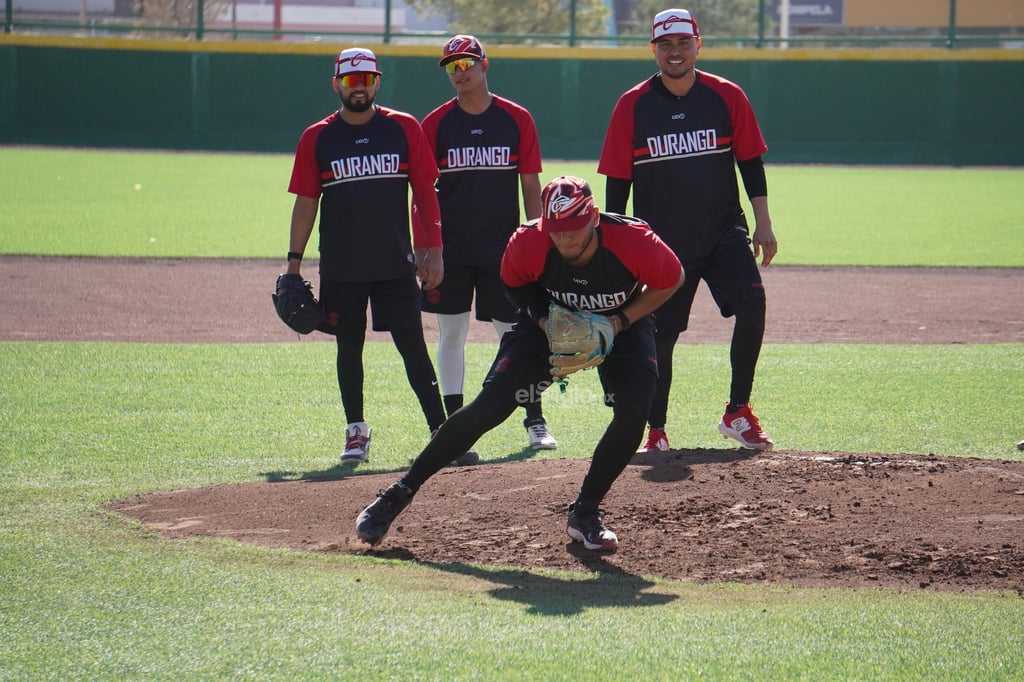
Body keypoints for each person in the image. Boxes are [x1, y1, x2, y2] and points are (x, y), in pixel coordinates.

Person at [355, 176, 684, 551]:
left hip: (620, 323)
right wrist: (547, 323)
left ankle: (585, 513)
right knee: (489, 408)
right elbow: (514, 282)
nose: (564, 241)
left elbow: (672, 279)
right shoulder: (530, 240)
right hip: (549, 322)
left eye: (573, 231)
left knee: (635, 408)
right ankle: (397, 494)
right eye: (556, 232)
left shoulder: (633, 240)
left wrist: (618, 322)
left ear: (593, 217)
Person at [597, 8, 779, 453]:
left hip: (723, 232)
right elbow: (618, 181)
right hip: (663, 243)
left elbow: (750, 162)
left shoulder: (726, 95)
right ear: (654, 50)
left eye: (682, 43)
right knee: (661, 336)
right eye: (665, 44)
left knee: (753, 305)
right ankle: (654, 431)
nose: (674, 51)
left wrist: (764, 223)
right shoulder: (633, 104)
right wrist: (618, 247)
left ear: (698, 44)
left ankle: (737, 411)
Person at [284, 47, 448, 463]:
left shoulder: (404, 128)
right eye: (350, 80)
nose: (359, 88)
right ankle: (356, 430)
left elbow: (425, 193)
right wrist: (293, 264)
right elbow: (306, 203)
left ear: (377, 82)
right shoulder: (317, 137)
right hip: (342, 265)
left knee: (413, 346)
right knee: (348, 348)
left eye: (366, 80)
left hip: (394, 263)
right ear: (336, 83)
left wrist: (434, 251)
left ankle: (440, 430)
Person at [415, 34, 556, 451]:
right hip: (451, 249)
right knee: (452, 333)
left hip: (503, 248)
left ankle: (534, 419)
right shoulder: (435, 124)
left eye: (467, 64)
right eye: (452, 67)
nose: (460, 73)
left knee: (515, 333)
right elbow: (422, 194)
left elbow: (531, 185)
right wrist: (425, 248)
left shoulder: (516, 118)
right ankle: (453, 428)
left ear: (484, 65)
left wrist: (538, 239)